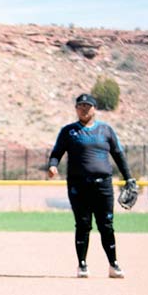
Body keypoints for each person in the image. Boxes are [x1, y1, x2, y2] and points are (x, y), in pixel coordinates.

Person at [47, 94, 136, 279]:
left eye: (88, 105)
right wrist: (53, 165)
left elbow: (119, 155)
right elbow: (56, 153)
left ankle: (113, 264)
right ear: (76, 109)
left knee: (106, 225)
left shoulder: (106, 130)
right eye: (80, 106)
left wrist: (129, 178)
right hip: (78, 186)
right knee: (83, 225)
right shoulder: (68, 131)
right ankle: (82, 265)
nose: (84, 109)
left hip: (103, 185)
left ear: (95, 108)